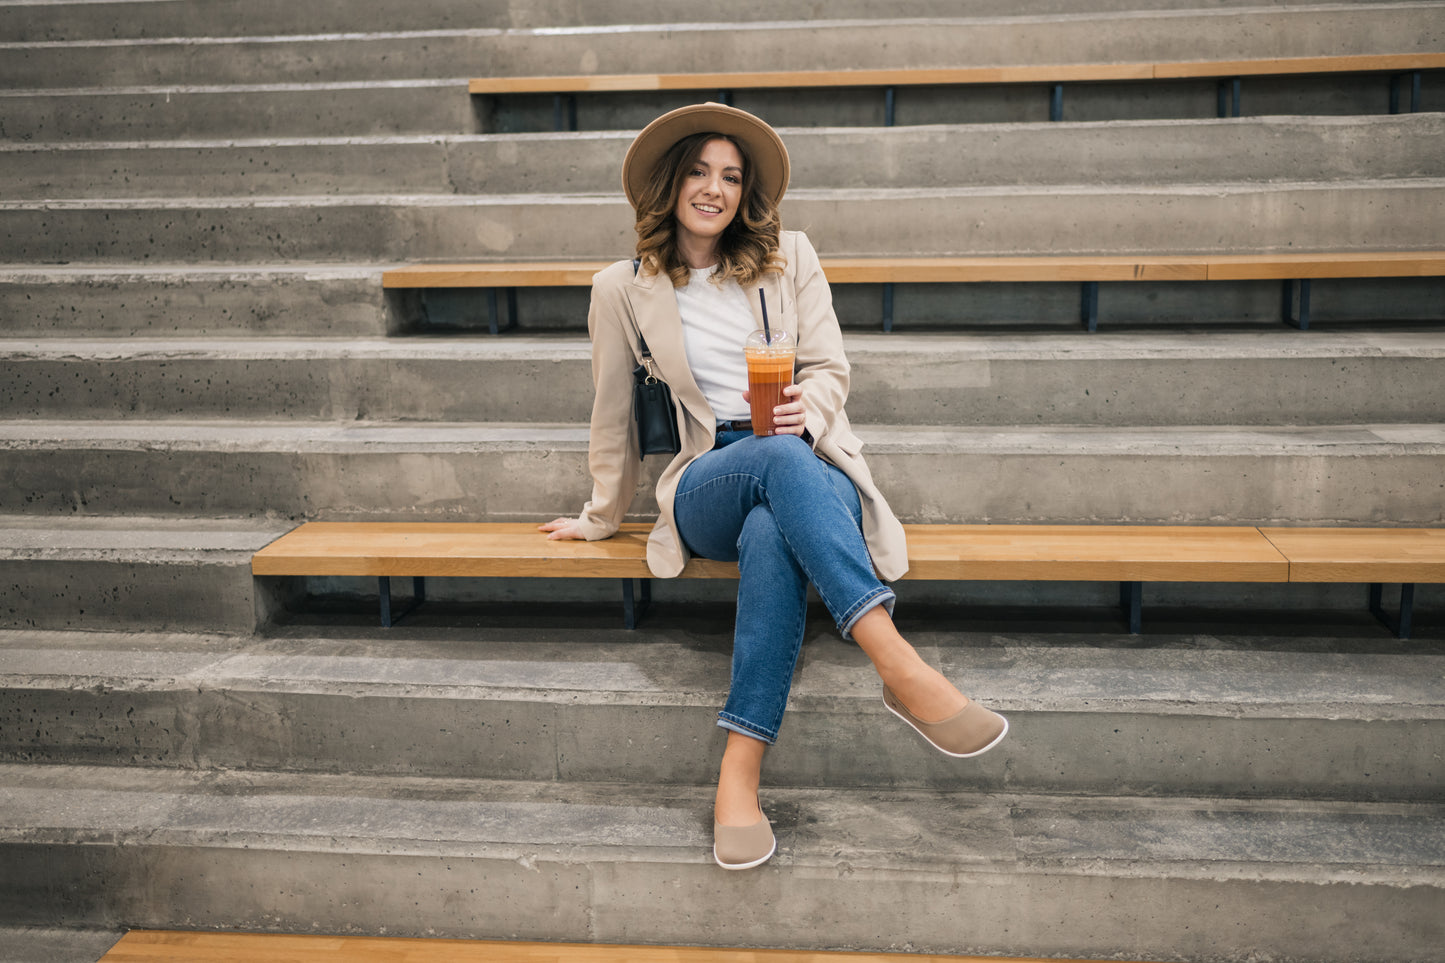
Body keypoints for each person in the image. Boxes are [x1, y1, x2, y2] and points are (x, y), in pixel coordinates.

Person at [540, 103, 1007, 870]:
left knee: (773, 525)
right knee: (770, 467)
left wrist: (806, 407)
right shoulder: (621, 289)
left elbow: (830, 370)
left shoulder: (789, 255)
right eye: (697, 171)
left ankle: (738, 774)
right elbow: (611, 413)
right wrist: (599, 515)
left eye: (730, 175)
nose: (713, 188)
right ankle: (897, 665)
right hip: (706, 476)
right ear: (669, 182)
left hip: (801, 456)